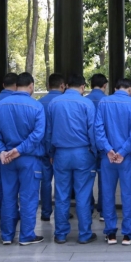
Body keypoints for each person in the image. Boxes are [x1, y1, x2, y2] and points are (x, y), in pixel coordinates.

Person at [0, 72, 45, 246]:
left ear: (15, 86)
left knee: (8, 196)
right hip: (29, 158)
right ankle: (26, 235)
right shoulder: (36, 106)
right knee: (28, 197)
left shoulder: (0, 105)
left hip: (7, 159)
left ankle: (6, 235)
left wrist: (1, 151)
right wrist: (19, 150)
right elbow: (38, 134)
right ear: (31, 86)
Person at [46, 74, 98, 244]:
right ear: (83, 87)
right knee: (83, 194)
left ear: (66, 85)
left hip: (61, 154)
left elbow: (48, 132)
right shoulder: (87, 103)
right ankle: (84, 234)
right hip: (83, 153)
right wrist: (94, 152)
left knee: (61, 195)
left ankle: (60, 234)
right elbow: (92, 132)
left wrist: (51, 153)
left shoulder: (54, 103)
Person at [94, 78, 131, 245]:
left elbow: (98, 129)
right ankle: (128, 234)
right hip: (127, 158)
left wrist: (108, 149)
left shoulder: (103, 103)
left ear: (115, 88)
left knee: (107, 194)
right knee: (129, 195)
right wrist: (122, 152)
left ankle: (111, 233)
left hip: (107, 158)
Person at [0, 73, 18, 221]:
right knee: (14, 185)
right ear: (16, 85)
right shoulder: (22, 102)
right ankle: (14, 212)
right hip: (18, 151)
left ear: (3, 85)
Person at [38, 73, 66, 222]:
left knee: (45, 182)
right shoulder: (64, 102)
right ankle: (63, 213)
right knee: (63, 183)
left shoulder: (39, 103)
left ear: (48, 86)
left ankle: (45, 212)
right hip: (61, 148)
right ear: (62, 86)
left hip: (43, 148)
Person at [87, 74, 109, 221]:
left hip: (87, 147)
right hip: (104, 146)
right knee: (104, 180)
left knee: (86, 180)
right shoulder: (107, 101)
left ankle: (87, 209)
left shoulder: (84, 100)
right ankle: (103, 211)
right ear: (104, 85)